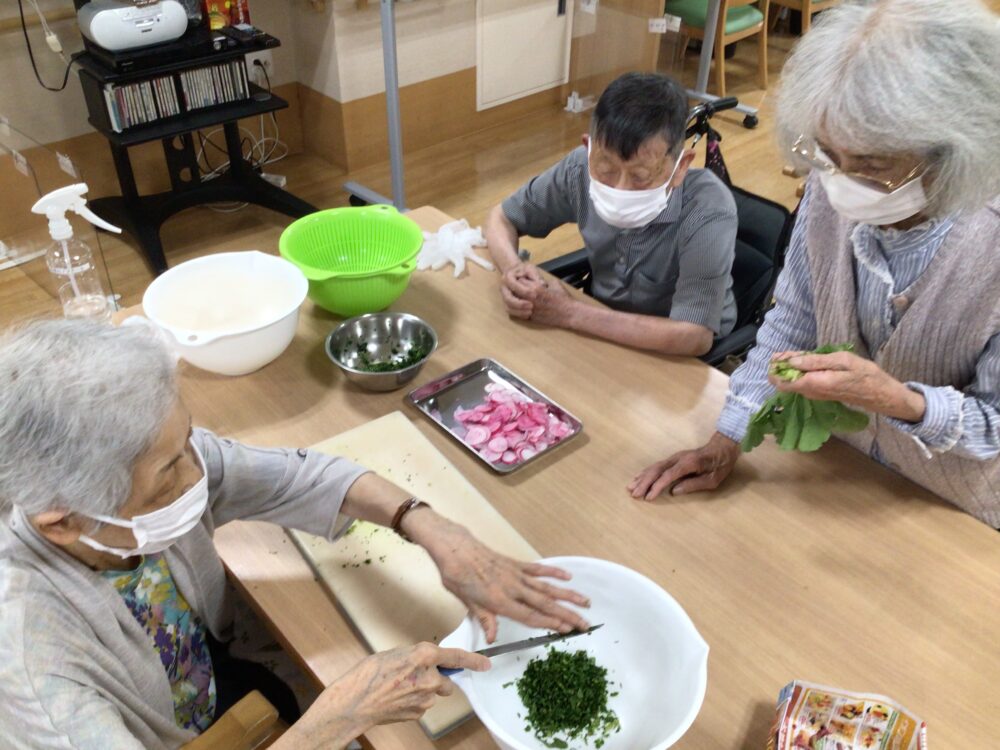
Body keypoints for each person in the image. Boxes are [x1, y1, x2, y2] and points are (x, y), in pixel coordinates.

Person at [0, 320, 591, 749]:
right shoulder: (31, 655)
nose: (198, 472)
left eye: (188, 441)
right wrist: (336, 720)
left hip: (212, 673)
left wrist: (428, 524)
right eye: (167, 473)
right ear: (63, 518)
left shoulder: (157, 465)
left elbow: (298, 475)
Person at [629, 0, 1000, 527]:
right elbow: (795, 317)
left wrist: (901, 402)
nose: (843, 186)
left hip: (949, 506)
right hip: (838, 474)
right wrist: (729, 434)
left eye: (874, 169)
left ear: (956, 152)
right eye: (828, 156)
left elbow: (995, 425)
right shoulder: (833, 187)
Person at [486, 72, 738, 357]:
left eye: (640, 177)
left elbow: (694, 336)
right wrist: (512, 269)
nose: (620, 189)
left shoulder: (708, 210)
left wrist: (569, 312)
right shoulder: (579, 169)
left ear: (681, 167)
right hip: (602, 326)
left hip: (677, 354)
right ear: (588, 148)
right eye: (606, 170)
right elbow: (502, 218)